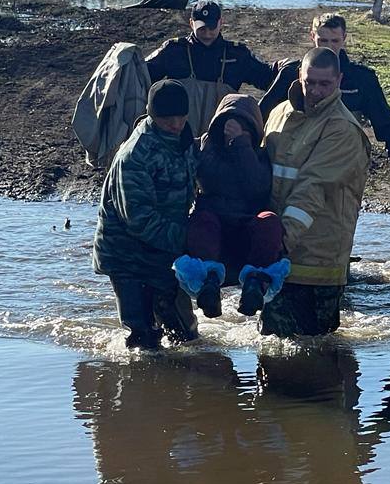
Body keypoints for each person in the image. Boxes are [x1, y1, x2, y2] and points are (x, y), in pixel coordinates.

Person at [259, 47, 371, 337]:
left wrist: (278, 242)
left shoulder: (343, 129)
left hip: (318, 263)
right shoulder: (279, 114)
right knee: (270, 346)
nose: (316, 91)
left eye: (325, 84)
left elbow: (313, 187)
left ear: (339, 81)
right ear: (299, 76)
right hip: (278, 257)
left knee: (317, 354)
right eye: (310, 82)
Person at [92, 79, 199, 349]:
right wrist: (191, 241)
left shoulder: (184, 141)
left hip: (164, 250)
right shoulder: (135, 156)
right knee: (143, 341)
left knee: (186, 335)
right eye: (167, 120)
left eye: (180, 117)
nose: (175, 124)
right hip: (126, 255)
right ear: (152, 116)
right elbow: (139, 220)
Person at [258, 13, 390, 194]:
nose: (329, 47)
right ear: (312, 37)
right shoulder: (290, 74)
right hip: (292, 160)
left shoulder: (361, 79)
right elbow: (260, 115)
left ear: (344, 39)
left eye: (334, 41)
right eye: (323, 40)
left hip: (339, 162)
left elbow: (387, 123)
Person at [173, 94, 288, 318]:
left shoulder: (260, 156)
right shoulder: (206, 148)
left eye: (243, 126)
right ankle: (209, 286)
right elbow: (207, 179)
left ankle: (255, 285)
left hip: (247, 229)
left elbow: (256, 186)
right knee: (201, 220)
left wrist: (241, 145)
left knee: (270, 222)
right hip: (213, 229)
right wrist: (218, 144)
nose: (231, 131)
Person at [145, 0, 278, 137]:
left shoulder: (238, 54)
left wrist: (283, 68)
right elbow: (142, 75)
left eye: (211, 27)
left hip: (220, 137)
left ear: (221, 23)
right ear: (191, 23)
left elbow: (267, 77)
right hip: (179, 136)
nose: (207, 33)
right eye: (201, 28)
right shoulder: (173, 51)